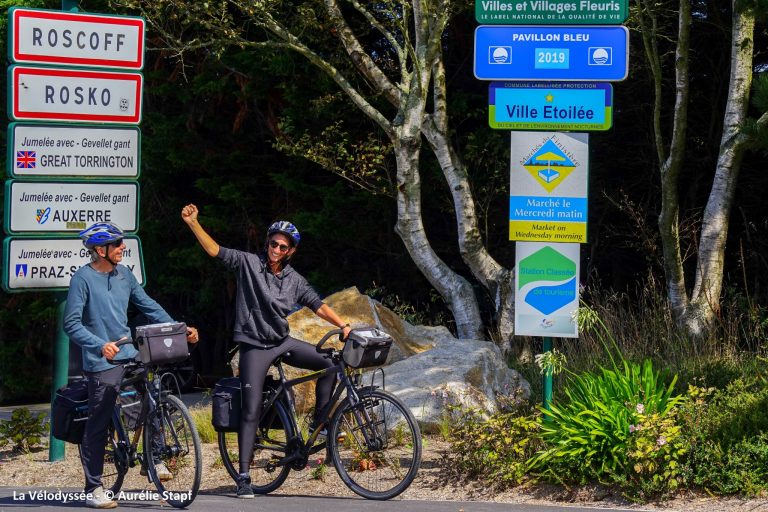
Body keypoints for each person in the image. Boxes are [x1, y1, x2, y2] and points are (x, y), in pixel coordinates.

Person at [181, 204, 351, 498]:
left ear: (290, 251)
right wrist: (193, 223)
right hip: (253, 346)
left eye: (283, 246)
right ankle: (244, 477)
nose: (276, 248)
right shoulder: (248, 263)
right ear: (268, 242)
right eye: (273, 243)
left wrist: (344, 325)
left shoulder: (294, 279)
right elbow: (215, 251)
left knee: (332, 363)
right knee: (251, 409)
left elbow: (317, 304)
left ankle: (320, 424)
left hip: (281, 341)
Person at [63, 222, 199, 509]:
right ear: (101, 250)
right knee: (98, 423)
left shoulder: (124, 275)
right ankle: (94, 488)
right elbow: (71, 324)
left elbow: (148, 305)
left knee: (154, 396)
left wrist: (179, 327)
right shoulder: (82, 279)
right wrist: (99, 344)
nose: (123, 248)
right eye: (118, 244)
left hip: (129, 353)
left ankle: (154, 458)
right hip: (101, 360)